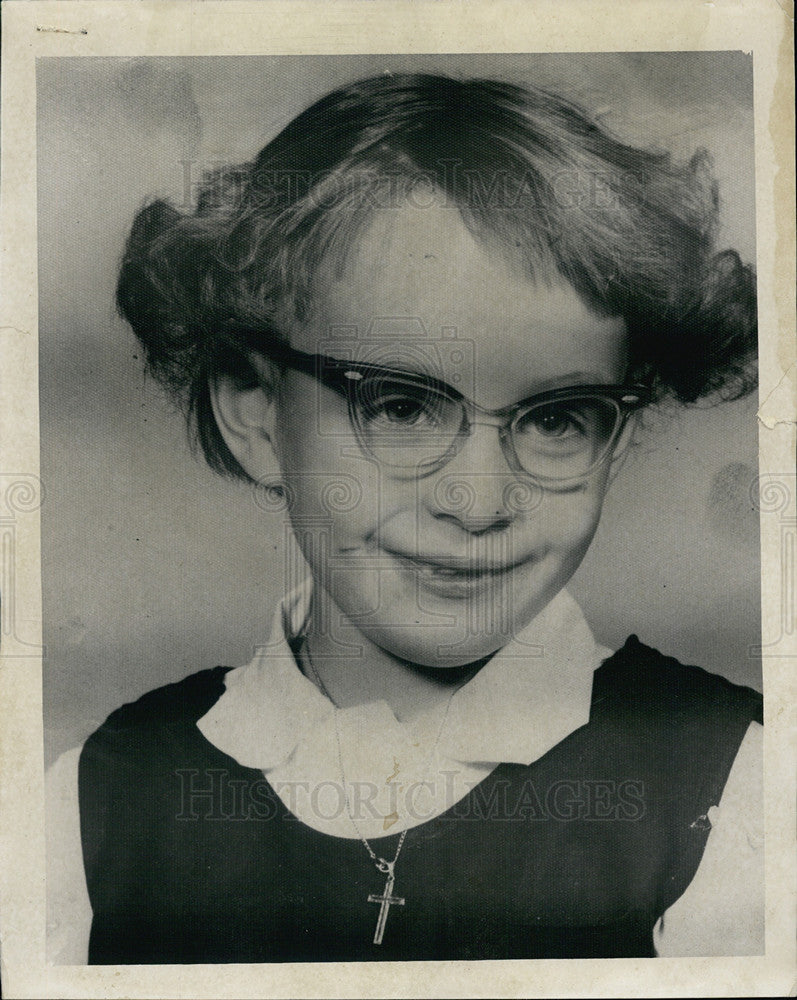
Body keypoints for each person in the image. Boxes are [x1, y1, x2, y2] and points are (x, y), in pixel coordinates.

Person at [46, 72, 762, 963]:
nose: (478, 500)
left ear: (614, 440)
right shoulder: (93, 805)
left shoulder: (739, 791)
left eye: (555, 418)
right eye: (400, 406)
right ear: (253, 407)